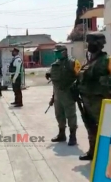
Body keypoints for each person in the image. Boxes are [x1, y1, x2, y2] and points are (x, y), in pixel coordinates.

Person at [77, 31, 111, 160]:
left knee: (106, 129)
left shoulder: (107, 60)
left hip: (101, 101)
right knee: (91, 127)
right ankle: (93, 151)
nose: (88, 45)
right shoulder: (88, 61)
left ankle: (106, 157)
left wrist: (103, 82)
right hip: (87, 100)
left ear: (98, 44)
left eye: (90, 42)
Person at [46, 45, 81, 146]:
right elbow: (53, 80)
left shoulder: (72, 62)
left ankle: (73, 136)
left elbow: (80, 76)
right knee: (59, 115)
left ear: (64, 52)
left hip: (68, 93)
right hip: (57, 94)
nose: (56, 54)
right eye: (55, 52)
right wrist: (53, 97)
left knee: (71, 115)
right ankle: (61, 134)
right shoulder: (54, 65)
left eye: (58, 52)